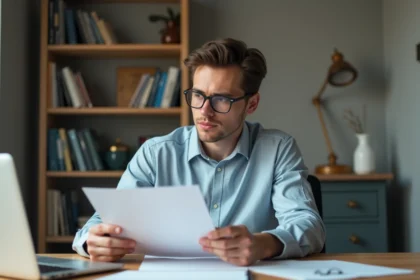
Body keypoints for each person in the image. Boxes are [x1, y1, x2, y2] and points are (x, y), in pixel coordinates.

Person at [72, 38, 326, 266]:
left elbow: (309, 225)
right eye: (198, 95)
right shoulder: (155, 154)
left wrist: (263, 244)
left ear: (252, 104)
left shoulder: (278, 150)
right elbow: (98, 224)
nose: (204, 111)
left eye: (221, 99)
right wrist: (92, 242)